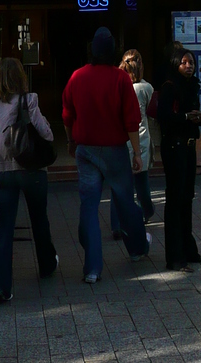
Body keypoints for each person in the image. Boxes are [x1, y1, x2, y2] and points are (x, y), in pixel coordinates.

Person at [62, 28, 150, 284]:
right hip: (115, 150)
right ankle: (136, 248)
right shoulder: (121, 79)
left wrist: (70, 141)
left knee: (89, 206)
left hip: (86, 149)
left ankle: (92, 268)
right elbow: (132, 119)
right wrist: (136, 152)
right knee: (125, 200)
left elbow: (67, 114)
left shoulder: (77, 77)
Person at [0, 57, 58, 304]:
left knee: (4, 226)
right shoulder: (30, 99)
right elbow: (46, 133)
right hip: (31, 169)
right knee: (39, 218)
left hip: (0, 171)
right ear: (20, 78)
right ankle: (47, 265)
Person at [158, 48, 201, 273]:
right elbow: (164, 116)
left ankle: (189, 252)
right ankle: (175, 258)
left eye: (191, 62)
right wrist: (186, 117)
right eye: (184, 62)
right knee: (175, 201)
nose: (189, 66)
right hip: (174, 147)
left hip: (188, 146)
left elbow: (193, 115)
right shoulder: (169, 87)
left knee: (187, 198)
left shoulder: (191, 86)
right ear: (176, 64)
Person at [111, 50, 155, 237]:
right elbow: (152, 112)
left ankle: (117, 225)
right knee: (142, 183)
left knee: (119, 187)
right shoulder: (146, 88)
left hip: (120, 140)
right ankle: (146, 212)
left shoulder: (116, 85)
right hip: (141, 139)